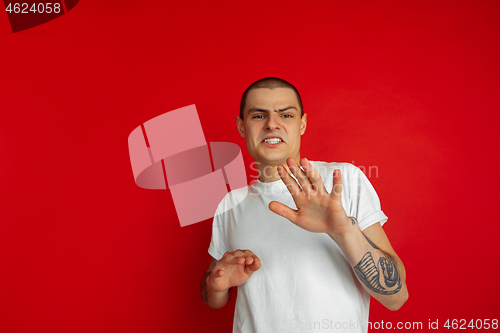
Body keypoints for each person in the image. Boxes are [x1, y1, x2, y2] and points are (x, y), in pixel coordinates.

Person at [200, 77, 408, 332]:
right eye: (258, 116)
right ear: (241, 126)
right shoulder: (230, 204)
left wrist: (343, 231)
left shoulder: (342, 179)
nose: (272, 125)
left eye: (286, 115)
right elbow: (213, 299)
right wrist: (216, 285)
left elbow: (396, 297)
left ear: (303, 124)